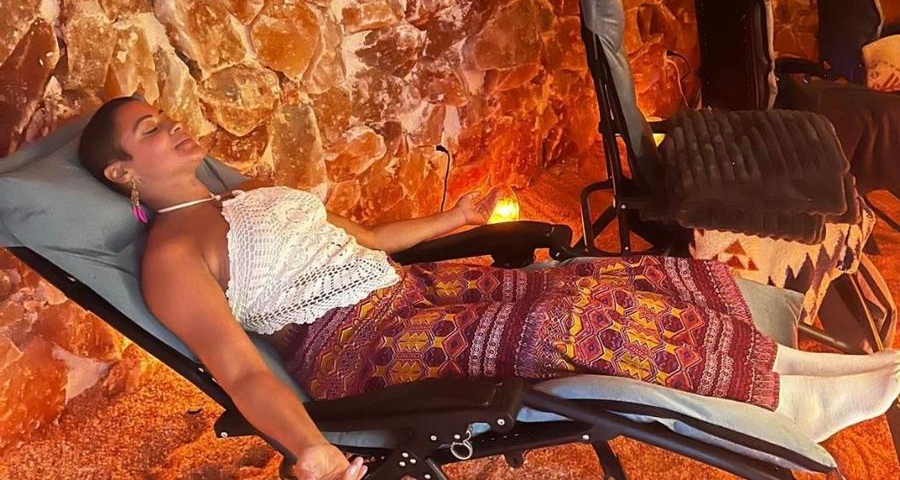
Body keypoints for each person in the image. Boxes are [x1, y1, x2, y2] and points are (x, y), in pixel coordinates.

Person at [78, 97, 899, 480]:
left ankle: (790, 365)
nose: (172, 124)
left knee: (598, 277)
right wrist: (312, 449)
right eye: (149, 130)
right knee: (569, 326)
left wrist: (450, 219)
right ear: (123, 173)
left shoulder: (244, 196)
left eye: (162, 115)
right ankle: (787, 406)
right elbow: (239, 367)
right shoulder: (173, 256)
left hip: (407, 291)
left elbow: (364, 239)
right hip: (355, 348)